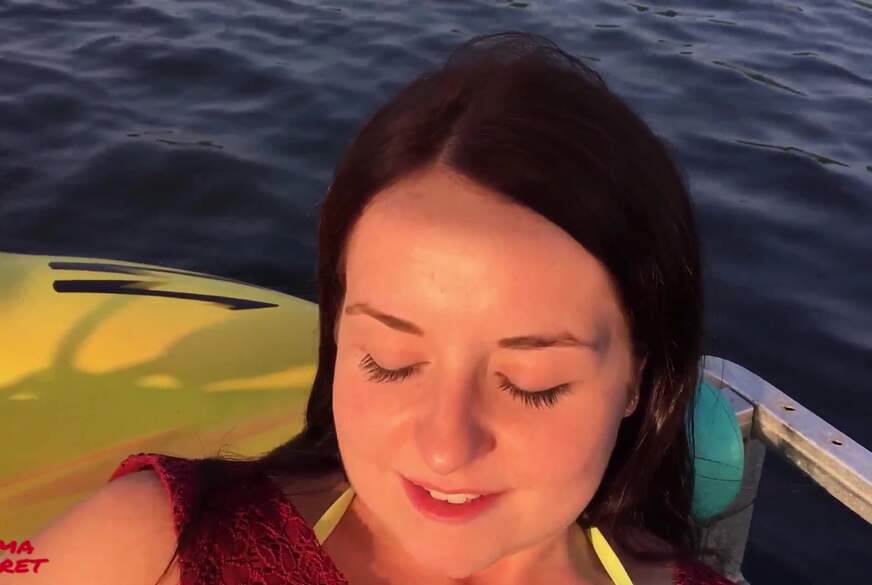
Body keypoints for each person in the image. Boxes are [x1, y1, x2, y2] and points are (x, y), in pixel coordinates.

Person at [7, 31, 737, 585]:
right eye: (389, 363)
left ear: (639, 376)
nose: (446, 448)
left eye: (532, 383)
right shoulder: (155, 547)